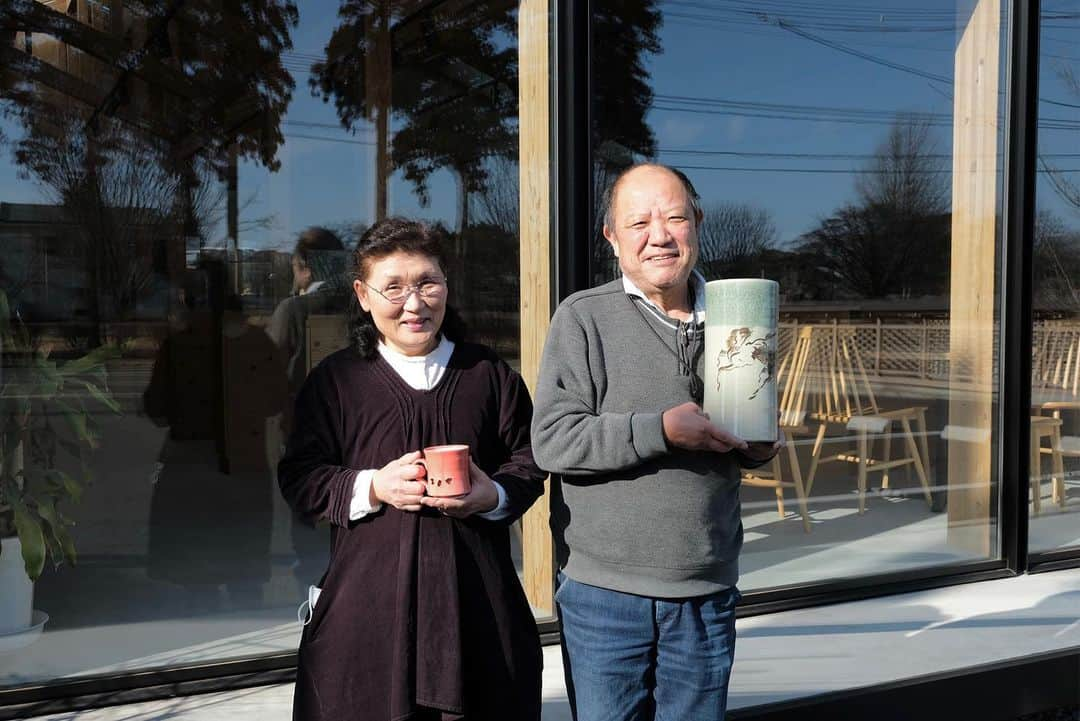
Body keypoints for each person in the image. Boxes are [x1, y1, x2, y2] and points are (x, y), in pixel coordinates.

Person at [531, 163, 780, 721]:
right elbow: (551, 440)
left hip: (705, 584)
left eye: (674, 217)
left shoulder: (736, 312)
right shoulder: (584, 317)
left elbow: (752, 438)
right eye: (638, 221)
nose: (659, 235)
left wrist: (760, 442)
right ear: (612, 237)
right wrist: (661, 430)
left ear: (698, 221)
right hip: (604, 595)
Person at [278, 217, 545, 721]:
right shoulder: (336, 382)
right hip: (367, 617)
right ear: (362, 294)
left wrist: (494, 494)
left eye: (428, 283)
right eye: (393, 287)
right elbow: (299, 477)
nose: (414, 303)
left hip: (479, 612)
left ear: (447, 283)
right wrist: (373, 485)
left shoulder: (489, 375)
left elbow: (531, 461)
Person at [268, 227, 350, 399]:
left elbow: (268, 371)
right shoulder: (359, 306)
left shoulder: (292, 310)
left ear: (304, 268)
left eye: (294, 267)